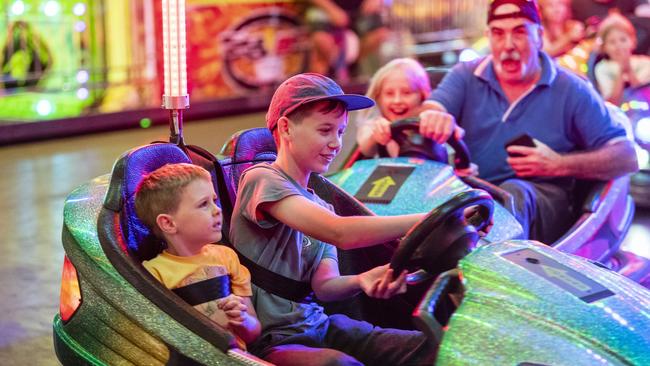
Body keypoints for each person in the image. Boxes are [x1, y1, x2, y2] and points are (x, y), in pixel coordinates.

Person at [229, 73, 438, 365]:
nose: (336, 143)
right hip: (271, 340)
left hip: (319, 326)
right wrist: (431, 218)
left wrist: (362, 279)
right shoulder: (262, 179)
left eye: (340, 132)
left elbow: (324, 286)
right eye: (325, 130)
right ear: (286, 128)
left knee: (430, 347)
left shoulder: (321, 205)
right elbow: (340, 233)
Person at [421, 0, 638, 243]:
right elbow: (434, 106)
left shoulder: (571, 88)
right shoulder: (466, 74)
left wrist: (558, 164)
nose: (508, 46)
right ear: (488, 36)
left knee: (513, 193)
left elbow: (627, 157)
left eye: (520, 32)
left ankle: (485, 271)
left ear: (539, 36)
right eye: (498, 34)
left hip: (543, 202)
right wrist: (434, 115)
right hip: (474, 196)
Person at [135, 163, 261, 349]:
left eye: (214, 200)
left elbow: (254, 332)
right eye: (203, 204)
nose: (217, 209)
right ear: (168, 224)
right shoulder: (154, 273)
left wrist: (242, 320)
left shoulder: (226, 258)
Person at [355, 57, 476, 175]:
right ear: (378, 97)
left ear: (422, 96)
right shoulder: (375, 125)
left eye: (407, 92)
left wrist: (465, 171)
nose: (397, 100)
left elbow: (458, 156)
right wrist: (375, 135)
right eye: (389, 93)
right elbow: (366, 147)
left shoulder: (433, 125)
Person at [306, 0, 390, 81]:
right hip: (324, 10)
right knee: (322, 40)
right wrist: (331, 10)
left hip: (357, 12)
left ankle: (348, 66)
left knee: (380, 34)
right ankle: (323, 77)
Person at [595, 12, 650, 105]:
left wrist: (629, 70)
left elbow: (643, 97)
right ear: (604, 47)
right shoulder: (602, 68)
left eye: (623, 40)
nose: (618, 46)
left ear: (633, 41)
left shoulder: (645, 63)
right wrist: (621, 72)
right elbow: (612, 103)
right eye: (612, 42)